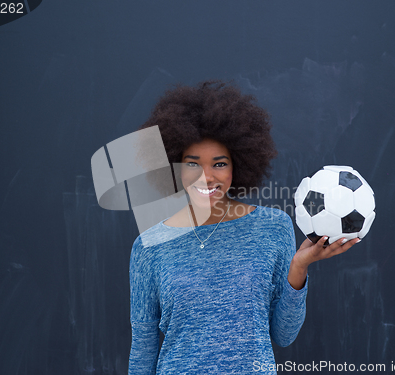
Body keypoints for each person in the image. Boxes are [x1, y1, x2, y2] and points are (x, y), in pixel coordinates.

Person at [128, 80, 359, 374]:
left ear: (238, 164)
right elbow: (144, 348)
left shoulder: (274, 228)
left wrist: (298, 269)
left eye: (220, 164)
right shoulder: (150, 245)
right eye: (193, 163)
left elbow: (283, 336)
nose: (207, 177)